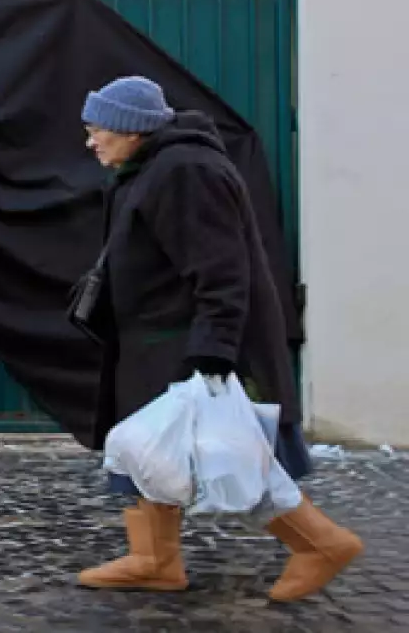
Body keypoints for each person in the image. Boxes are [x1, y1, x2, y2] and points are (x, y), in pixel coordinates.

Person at [75, 76, 363, 601]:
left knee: (232, 455)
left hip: (184, 340)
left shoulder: (184, 171)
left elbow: (222, 269)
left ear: (130, 128)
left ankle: (321, 544)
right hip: (153, 339)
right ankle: (154, 560)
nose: (91, 142)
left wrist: (213, 350)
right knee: (149, 451)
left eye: (97, 130)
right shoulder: (147, 168)